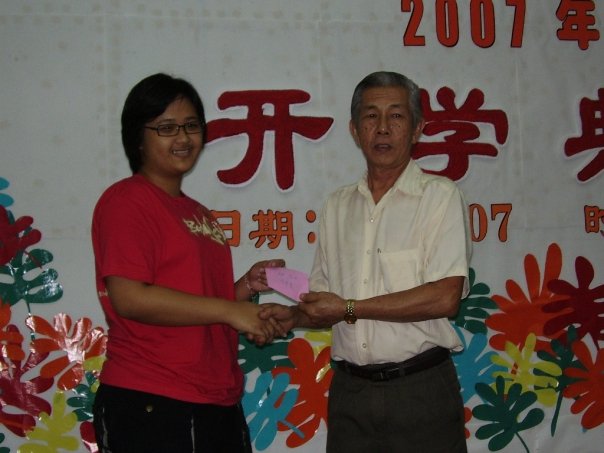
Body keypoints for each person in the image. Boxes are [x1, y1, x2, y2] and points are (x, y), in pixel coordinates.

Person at [261, 71, 472, 452]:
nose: (383, 128)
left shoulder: (439, 197)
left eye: (396, 116)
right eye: (371, 116)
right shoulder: (337, 206)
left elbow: (445, 298)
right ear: (355, 131)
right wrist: (292, 317)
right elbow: (327, 304)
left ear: (417, 129)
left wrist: (349, 308)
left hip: (420, 391)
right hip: (351, 393)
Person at [91, 73, 286, 453]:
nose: (182, 138)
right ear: (138, 137)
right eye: (166, 128)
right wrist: (231, 311)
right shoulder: (126, 200)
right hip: (153, 400)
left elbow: (197, 303)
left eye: (191, 125)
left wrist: (245, 288)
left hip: (216, 400)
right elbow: (130, 298)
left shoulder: (199, 214)